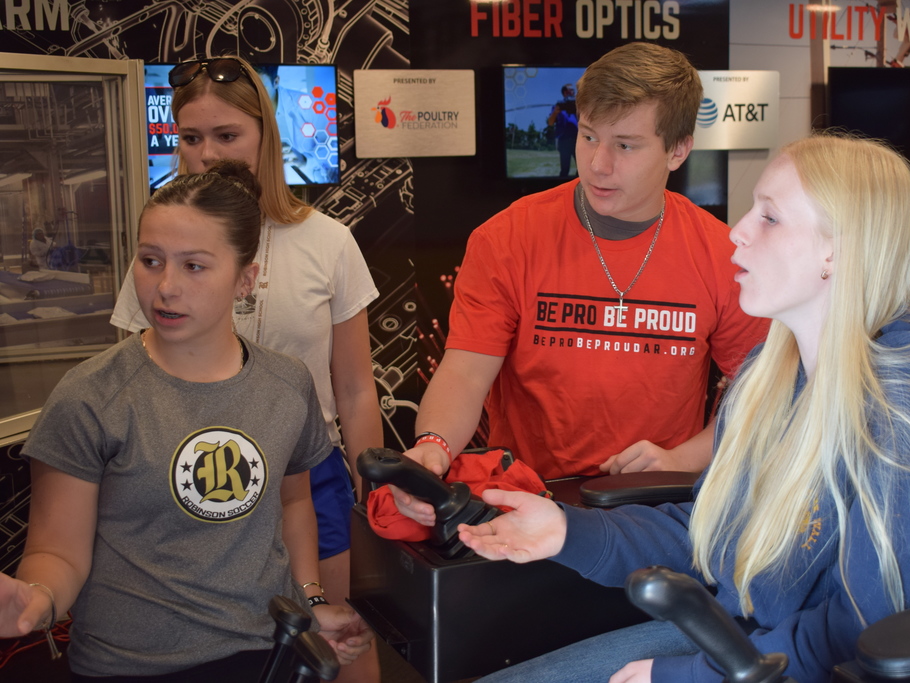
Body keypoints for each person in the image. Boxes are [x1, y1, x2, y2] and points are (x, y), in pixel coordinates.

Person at [456, 134, 910, 683]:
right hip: (750, 633)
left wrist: (681, 676)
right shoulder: (773, 369)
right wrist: (566, 531)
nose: (737, 233)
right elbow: (717, 532)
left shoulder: (909, 399)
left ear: (837, 249)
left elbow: (878, 630)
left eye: (769, 218)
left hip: (809, 665)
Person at [0, 161, 373, 680]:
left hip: (267, 654)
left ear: (245, 279)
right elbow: (55, 551)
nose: (166, 287)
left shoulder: (287, 385)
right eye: (151, 260)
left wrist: (310, 601)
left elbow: (293, 503)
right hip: (131, 665)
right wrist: (36, 600)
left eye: (194, 266)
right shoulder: (91, 396)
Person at [395, 42, 769, 527]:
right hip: (532, 501)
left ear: (678, 150)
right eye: (589, 136)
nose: (598, 164)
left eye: (625, 145)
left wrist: (687, 458)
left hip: (661, 508)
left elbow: (762, 390)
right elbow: (466, 371)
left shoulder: (721, 253)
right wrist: (434, 446)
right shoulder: (507, 238)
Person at [109, 56, 382, 682]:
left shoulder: (328, 243)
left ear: (265, 136)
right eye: (191, 138)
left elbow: (356, 388)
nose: (206, 153)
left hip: (307, 472)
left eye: (226, 135)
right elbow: (130, 382)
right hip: (195, 471)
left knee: (334, 631)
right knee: (219, 647)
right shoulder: (161, 250)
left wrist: (375, 495)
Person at [547, 82, 578, 177]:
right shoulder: (558, 105)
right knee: (565, 169)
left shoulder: (577, 105)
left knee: (582, 169)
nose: (573, 92)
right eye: (571, 90)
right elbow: (550, 122)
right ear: (565, 92)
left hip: (577, 141)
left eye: (573, 90)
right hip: (563, 141)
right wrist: (555, 112)